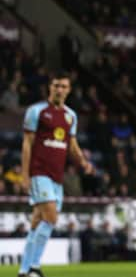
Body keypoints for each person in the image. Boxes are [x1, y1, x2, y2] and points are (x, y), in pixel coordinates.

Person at [19, 72, 94, 277]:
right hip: (39, 172)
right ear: (49, 88)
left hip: (56, 176)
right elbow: (27, 144)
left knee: (37, 221)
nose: (59, 89)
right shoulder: (37, 111)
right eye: (56, 85)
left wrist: (84, 163)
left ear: (68, 90)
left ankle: (23, 270)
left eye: (63, 86)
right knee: (51, 217)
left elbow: (72, 145)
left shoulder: (71, 116)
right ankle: (34, 267)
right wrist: (25, 175)